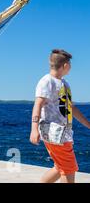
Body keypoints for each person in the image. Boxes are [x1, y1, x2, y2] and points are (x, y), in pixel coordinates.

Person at [30, 49, 90, 183]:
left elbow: (71, 108)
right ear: (65, 66)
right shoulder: (46, 81)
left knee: (59, 167)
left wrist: (88, 125)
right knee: (68, 169)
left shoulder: (64, 84)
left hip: (63, 134)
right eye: (70, 64)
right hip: (55, 134)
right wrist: (34, 129)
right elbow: (38, 104)